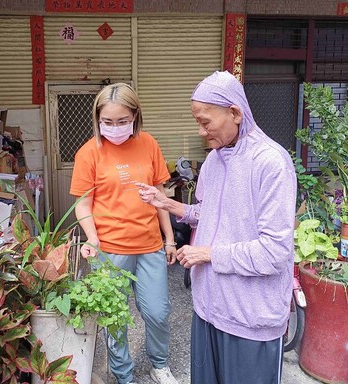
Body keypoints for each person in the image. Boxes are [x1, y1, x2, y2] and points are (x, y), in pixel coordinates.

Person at [136, 71, 297, 384]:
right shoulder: (214, 161)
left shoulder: (271, 163)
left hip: (251, 318)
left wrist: (208, 253)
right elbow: (210, 213)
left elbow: (274, 252)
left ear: (235, 113)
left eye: (205, 121)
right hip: (209, 310)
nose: (200, 132)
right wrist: (166, 203)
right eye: (197, 121)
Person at [70, 83, 180, 384]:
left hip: (149, 246)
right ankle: (123, 376)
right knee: (115, 318)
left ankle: (160, 365)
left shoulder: (148, 144)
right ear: (97, 119)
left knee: (157, 312)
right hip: (110, 250)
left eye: (122, 121)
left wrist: (169, 239)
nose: (115, 128)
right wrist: (92, 238)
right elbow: (83, 203)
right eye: (107, 122)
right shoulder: (89, 153)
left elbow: (159, 196)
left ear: (135, 116)